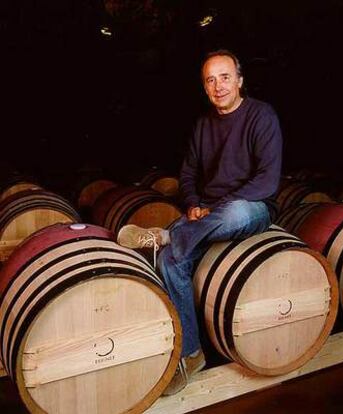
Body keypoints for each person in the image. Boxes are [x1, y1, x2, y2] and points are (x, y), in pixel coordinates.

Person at [117, 49, 283, 395]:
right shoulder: (203, 125)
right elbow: (189, 174)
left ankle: (167, 233)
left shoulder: (261, 116)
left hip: (252, 209)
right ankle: (191, 353)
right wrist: (193, 203)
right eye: (210, 79)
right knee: (170, 260)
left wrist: (212, 208)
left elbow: (267, 182)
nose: (218, 85)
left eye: (225, 77)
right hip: (207, 214)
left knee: (236, 211)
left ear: (239, 81)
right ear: (204, 87)